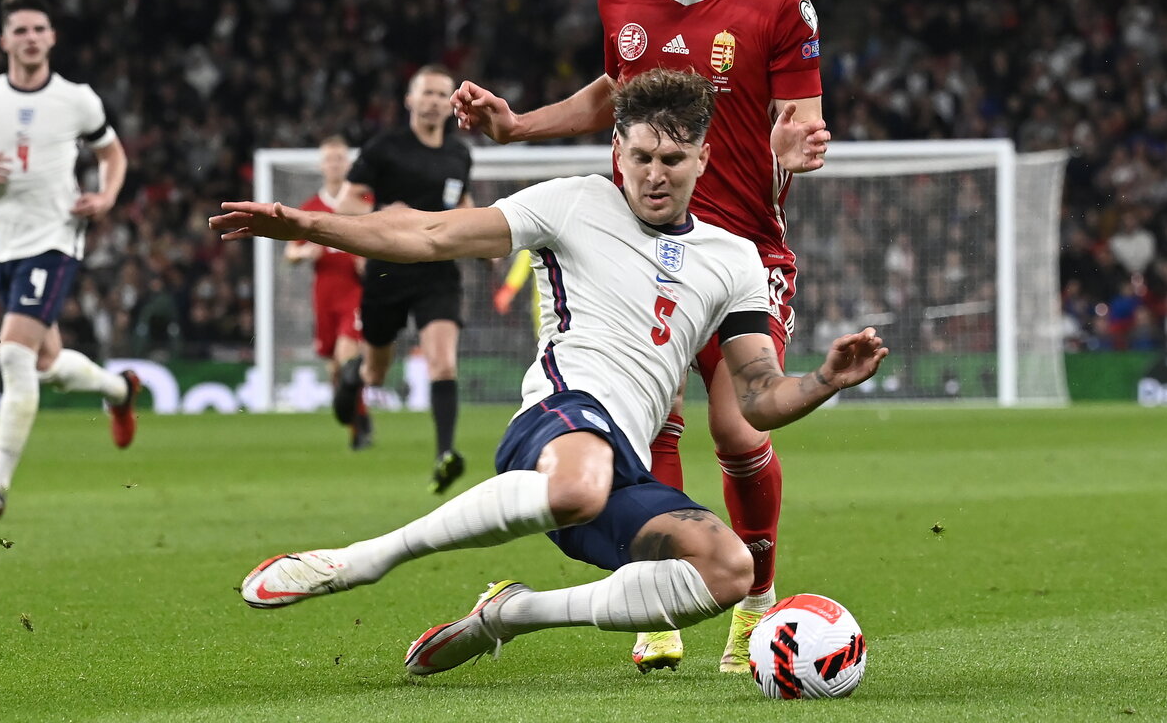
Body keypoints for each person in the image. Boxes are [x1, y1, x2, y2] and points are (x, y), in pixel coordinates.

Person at [211, 68, 887, 678]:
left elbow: (760, 397)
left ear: (704, 159)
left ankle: (508, 616)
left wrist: (824, 380)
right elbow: (429, 236)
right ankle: (360, 560)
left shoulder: (734, 259)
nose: (655, 175)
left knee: (728, 570)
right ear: (618, 152)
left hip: (618, 471)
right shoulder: (572, 202)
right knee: (578, 482)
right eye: (641, 157)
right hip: (556, 420)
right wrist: (307, 223)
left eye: (674, 161)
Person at [452, 0, 829, 672]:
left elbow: (800, 122)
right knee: (647, 422)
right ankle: (653, 604)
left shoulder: (780, 4)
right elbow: (613, 98)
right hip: (638, 244)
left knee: (738, 433)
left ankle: (754, 604)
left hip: (740, 252)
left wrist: (795, 152)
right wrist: (518, 125)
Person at [0, 0, 141, 518]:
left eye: (39, 30)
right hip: (2, 244)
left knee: (13, 354)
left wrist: (107, 195)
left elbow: (112, 154)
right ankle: (120, 390)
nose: (30, 38)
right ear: (4, 40)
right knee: (47, 363)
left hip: (54, 238)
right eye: (20, 30)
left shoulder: (77, 99)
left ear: (52, 38)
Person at [333, 64, 473, 489]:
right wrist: (382, 217)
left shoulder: (459, 155)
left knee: (443, 361)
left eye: (441, 95)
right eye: (425, 93)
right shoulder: (384, 148)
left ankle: (445, 453)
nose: (433, 101)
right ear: (409, 100)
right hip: (387, 271)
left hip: (437, 271)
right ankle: (353, 377)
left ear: (451, 105)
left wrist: (478, 235)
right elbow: (346, 205)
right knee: (376, 372)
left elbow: (462, 202)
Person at [284, 135, 366, 447]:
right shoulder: (310, 208)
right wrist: (306, 254)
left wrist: (367, 262)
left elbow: (384, 238)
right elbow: (290, 254)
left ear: (348, 164)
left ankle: (360, 427)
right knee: (335, 370)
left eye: (340, 159)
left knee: (347, 357)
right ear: (321, 165)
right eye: (329, 159)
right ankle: (358, 419)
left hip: (354, 294)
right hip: (324, 294)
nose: (334, 164)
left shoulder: (362, 204)